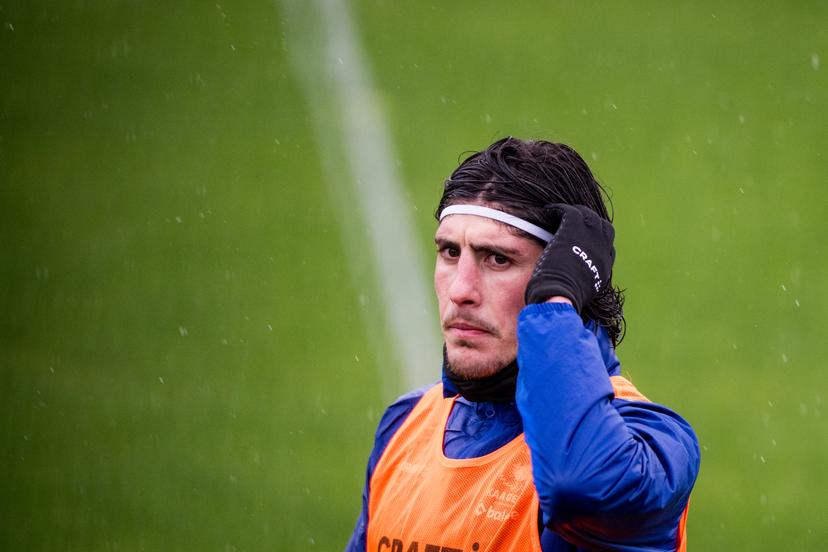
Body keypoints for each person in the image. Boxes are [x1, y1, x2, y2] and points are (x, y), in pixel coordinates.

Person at [346, 137, 700, 552]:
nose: (461, 290)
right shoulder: (404, 425)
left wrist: (555, 304)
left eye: (497, 259)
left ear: (567, 277)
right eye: (449, 251)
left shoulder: (650, 442)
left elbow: (581, 484)